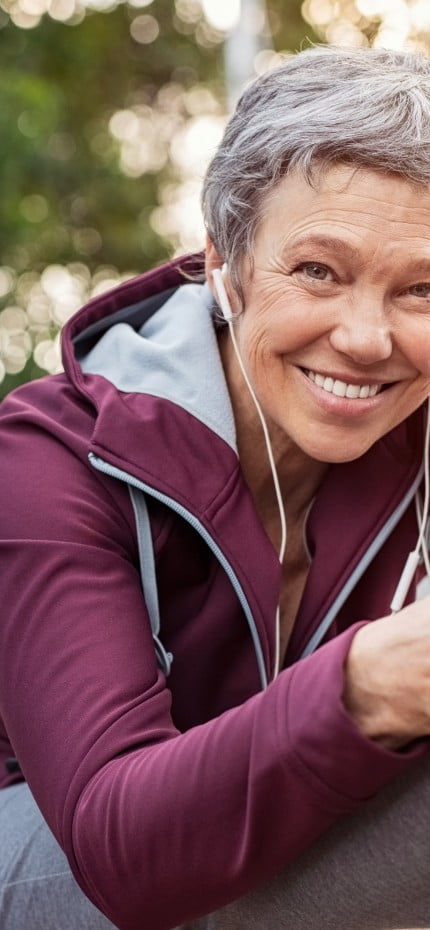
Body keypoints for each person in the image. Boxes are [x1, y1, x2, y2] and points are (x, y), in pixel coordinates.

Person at [3, 43, 430, 930]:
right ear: (223, 265)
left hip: (293, 831)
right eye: (318, 270)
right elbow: (121, 848)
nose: (366, 338)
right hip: (59, 862)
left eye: (421, 290)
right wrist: (373, 685)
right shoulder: (48, 459)